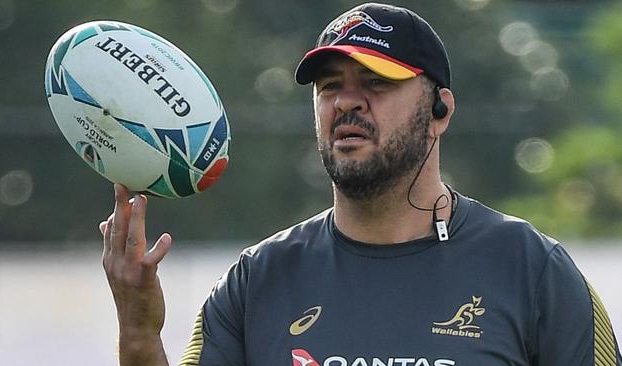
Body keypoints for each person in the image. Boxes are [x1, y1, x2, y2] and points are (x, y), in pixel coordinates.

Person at [99, 3, 622, 366]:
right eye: (330, 87)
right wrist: (139, 334)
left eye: (375, 83)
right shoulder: (257, 280)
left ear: (440, 111)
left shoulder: (533, 271)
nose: (346, 102)